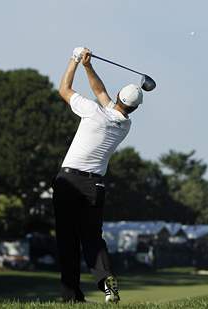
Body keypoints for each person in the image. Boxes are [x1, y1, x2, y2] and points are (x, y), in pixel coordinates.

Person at [53, 47, 143, 303]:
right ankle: (106, 280)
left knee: (67, 238)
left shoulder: (93, 112)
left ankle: (71, 296)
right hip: (96, 186)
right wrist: (88, 66)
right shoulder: (125, 124)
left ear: (117, 97)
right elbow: (100, 92)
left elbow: (64, 90)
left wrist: (73, 60)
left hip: (69, 181)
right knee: (92, 237)